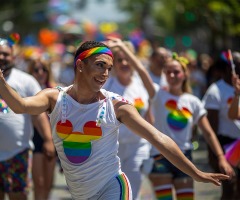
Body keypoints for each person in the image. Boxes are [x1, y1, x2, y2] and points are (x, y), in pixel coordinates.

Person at [0, 40, 230, 200]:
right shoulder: (55, 97)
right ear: (80, 65)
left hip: (114, 186)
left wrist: (195, 173)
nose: (105, 74)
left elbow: (158, 137)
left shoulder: (115, 105)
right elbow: (20, 105)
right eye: (100, 65)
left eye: (108, 68)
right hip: (80, 193)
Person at [105, 38, 234, 200]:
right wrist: (124, 47)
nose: (172, 75)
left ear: (185, 74)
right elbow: (142, 71)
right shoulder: (158, 94)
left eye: (177, 72)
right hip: (159, 158)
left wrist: (221, 157)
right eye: (168, 72)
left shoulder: (193, 101)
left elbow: (208, 132)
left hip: (184, 157)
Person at [0, 38, 55, 200]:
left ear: (13, 57)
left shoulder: (25, 80)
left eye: (5, 54)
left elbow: (38, 114)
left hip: (18, 152)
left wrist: (48, 140)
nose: (2, 57)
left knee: (18, 195)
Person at [103, 41, 151, 199]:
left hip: (138, 147)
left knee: (133, 189)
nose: (124, 63)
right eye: (119, 60)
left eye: (127, 59)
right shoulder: (107, 86)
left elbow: (149, 117)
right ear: (113, 64)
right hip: (113, 148)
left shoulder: (141, 84)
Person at [202, 52, 240, 200]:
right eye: (237, 65)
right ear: (228, 68)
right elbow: (211, 128)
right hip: (226, 144)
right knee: (230, 188)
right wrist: (216, 156)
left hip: (238, 143)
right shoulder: (215, 91)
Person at [28, 58, 57, 200]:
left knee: (48, 183)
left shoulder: (55, 89)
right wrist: (47, 139)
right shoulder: (28, 89)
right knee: (38, 183)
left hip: (54, 138)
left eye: (44, 69)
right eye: (36, 70)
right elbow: (34, 117)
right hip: (36, 138)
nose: (40, 73)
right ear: (31, 72)